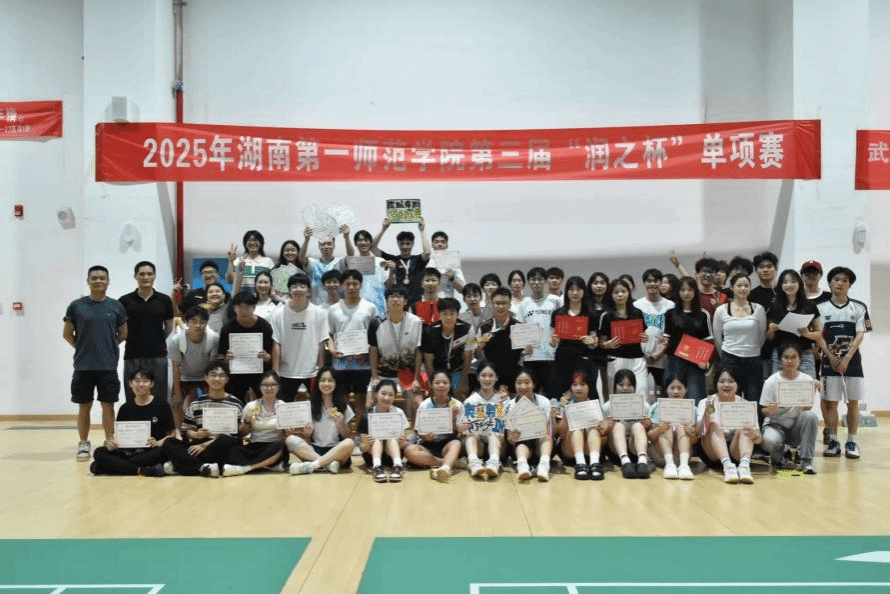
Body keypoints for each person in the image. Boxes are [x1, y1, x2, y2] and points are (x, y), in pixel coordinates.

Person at [63, 265, 128, 461]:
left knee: (108, 405)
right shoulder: (76, 306)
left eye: (102, 278)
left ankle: (109, 441)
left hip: (108, 366)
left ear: (108, 281)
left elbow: (123, 333)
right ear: (88, 281)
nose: (98, 281)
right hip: (83, 367)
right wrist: (83, 347)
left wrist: (107, 346)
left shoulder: (116, 306)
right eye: (94, 278)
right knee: (84, 406)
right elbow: (67, 334)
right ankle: (83, 443)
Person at [818, 266, 871, 459]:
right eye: (836, 279)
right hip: (828, 362)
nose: (840, 283)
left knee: (853, 402)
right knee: (830, 403)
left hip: (853, 362)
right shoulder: (820, 308)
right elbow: (818, 336)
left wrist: (847, 358)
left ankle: (852, 441)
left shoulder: (859, 307)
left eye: (844, 280)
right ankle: (833, 441)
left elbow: (860, 334)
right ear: (829, 283)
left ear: (850, 285)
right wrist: (831, 357)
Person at [162, 362, 245, 477]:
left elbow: (236, 436)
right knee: (169, 442)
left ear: (227, 379)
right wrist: (196, 435)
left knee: (226, 440)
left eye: (221, 376)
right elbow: (186, 430)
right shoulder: (197, 403)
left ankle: (184, 465)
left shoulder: (236, 404)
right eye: (213, 375)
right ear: (206, 378)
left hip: (219, 446)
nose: (217, 379)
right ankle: (203, 467)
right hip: (198, 446)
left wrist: (205, 445)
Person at [90, 368, 176, 476]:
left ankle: (108, 467)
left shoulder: (162, 406)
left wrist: (158, 442)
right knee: (99, 452)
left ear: (152, 384)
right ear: (130, 383)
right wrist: (112, 444)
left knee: (163, 451)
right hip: (128, 452)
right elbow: (117, 435)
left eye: (145, 381)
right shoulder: (125, 408)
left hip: (151, 451)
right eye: (137, 381)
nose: (141, 384)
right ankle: (141, 469)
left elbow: (172, 435)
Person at [695, 367, 763, 484]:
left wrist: (755, 435)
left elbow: (760, 439)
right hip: (712, 453)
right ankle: (728, 467)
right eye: (722, 381)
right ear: (716, 384)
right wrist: (707, 413)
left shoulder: (746, 405)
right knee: (715, 425)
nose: (726, 385)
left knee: (745, 427)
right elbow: (699, 433)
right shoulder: (707, 402)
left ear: (737, 384)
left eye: (731, 381)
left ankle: (744, 467)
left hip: (736, 452)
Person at [327, 269, 378, 424]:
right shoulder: (333, 309)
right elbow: (328, 334)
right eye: (348, 284)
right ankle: (341, 432)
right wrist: (332, 349)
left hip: (363, 363)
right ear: (342, 286)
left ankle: (359, 434)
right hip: (340, 362)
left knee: (360, 402)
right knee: (340, 400)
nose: (351, 287)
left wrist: (367, 349)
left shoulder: (370, 308)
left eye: (355, 284)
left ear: (361, 285)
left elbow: (374, 336)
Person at [759, 343, 819, 474]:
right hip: (776, 426)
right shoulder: (771, 381)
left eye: (793, 357)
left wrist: (812, 392)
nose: (790, 361)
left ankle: (806, 461)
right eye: (786, 357)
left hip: (795, 428)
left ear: (800, 359)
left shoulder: (807, 379)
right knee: (769, 440)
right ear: (780, 360)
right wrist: (770, 410)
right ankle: (779, 456)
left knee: (811, 416)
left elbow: (808, 407)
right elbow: (763, 410)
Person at [120, 261, 174, 403]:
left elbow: (169, 326)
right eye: (142, 274)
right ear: (135, 276)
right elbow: (120, 329)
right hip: (132, 355)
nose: (146, 277)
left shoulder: (164, 300)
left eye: (149, 274)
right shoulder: (124, 301)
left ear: (154, 276)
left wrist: (156, 340)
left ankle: (158, 419)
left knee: (159, 396)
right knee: (133, 396)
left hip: (158, 355)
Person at [270, 272, 330, 401]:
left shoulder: (319, 313)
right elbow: (276, 343)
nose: (298, 289)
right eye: (294, 286)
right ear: (289, 291)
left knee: (316, 406)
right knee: (283, 406)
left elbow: (321, 343)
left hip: (312, 371)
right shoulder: (278, 314)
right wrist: (275, 371)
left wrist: (321, 369)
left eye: (302, 286)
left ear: (308, 291)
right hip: (286, 372)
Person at [286, 367, 356, 475]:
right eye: (323, 380)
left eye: (330, 380)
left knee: (349, 443)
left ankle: (313, 465)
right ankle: (327, 464)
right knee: (290, 440)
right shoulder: (311, 406)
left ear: (336, 383)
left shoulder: (343, 406)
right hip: (315, 450)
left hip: (336, 450)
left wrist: (341, 424)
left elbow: (347, 436)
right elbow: (307, 437)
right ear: (318, 383)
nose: (326, 384)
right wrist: (307, 434)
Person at [219, 370, 289, 476]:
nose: (269, 388)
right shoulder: (252, 406)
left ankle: (246, 468)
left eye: (273, 385)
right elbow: (243, 433)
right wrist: (247, 421)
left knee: (281, 446)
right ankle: (268, 465)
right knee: (233, 449)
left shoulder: (283, 406)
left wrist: (289, 431)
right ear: (260, 387)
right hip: (255, 445)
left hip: (274, 445)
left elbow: (287, 434)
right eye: (265, 385)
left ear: (278, 387)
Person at [368, 286, 424, 419]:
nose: (395, 300)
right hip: (383, 374)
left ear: (405, 301)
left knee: (416, 403)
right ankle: (379, 429)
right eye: (392, 296)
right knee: (369, 403)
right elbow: (373, 350)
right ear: (387, 301)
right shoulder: (376, 322)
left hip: (408, 374)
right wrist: (374, 377)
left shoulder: (416, 322)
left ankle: (411, 429)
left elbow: (419, 351)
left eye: (399, 297)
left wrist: (416, 379)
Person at [712, 273, 767, 403]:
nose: (743, 289)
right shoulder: (721, 310)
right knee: (730, 398)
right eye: (739, 285)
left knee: (753, 398)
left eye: (746, 286)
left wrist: (751, 349)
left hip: (753, 359)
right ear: (732, 287)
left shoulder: (759, 309)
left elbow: (762, 335)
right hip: (729, 358)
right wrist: (727, 353)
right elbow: (717, 338)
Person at [549, 276, 603, 400]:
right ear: (567, 291)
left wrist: (591, 342)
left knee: (584, 394)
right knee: (561, 394)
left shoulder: (590, 314)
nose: (575, 293)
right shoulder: (558, 313)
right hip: (562, 359)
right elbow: (552, 341)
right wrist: (552, 341)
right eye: (571, 289)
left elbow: (594, 343)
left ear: (584, 292)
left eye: (578, 289)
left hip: (582, 360)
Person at [405, 370, 463, 483]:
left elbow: (461, 432)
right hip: (428, 446)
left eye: (445, 383)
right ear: (431, 385)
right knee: (409, 450)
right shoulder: (425, 405)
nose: (441, 385)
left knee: (456, 443)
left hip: (447, 444)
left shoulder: (456, 405)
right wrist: (424, 436)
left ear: (450, 385)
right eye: (437, 383)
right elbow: (417, 431)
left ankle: (445, 468)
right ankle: (447, 463)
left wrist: (455, 419)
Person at [217, 291, 274, 403]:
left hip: (259, 372)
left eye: (247, 307)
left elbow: (271, 354)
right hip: (236, 373)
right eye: (239, 307)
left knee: (263, 402)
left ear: (254, 308)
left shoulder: (264, 326)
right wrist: (227, 359)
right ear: (234, 308)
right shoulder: (228, 328)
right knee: (234, 402)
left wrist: (267, 357)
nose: (243, 311)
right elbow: (221, 355)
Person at [765, 269, 824, 377]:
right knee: (780, 386)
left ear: (799, 283)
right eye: (785, 282)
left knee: (807, 385)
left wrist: (807, 334)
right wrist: (771, 330)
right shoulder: (775, 306)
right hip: (780, 355)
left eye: (793, 281)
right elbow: (769, 338)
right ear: (780, 285)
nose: (789, 285)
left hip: (804, 354)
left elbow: (819, 333)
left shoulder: (810, 305)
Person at [169, 306, 220, 430]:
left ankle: (208, 430)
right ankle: (179, 432)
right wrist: (177, 394)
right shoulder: (177, 340)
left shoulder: (213, 338)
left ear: (206, 323)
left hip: (205, 378)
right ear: (187, 323)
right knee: (176, 404)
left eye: (202, 322)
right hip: (184, 377)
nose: (198, 325)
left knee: (213, 403)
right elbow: (175, 367)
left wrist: (213, 388)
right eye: (194, 321)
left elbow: (213, 366)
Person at [662, 276, 712, 403]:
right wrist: (661, 345)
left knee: (696, 397)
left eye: (689, 290)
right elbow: (666, 340)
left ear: (695, 292)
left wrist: (705, 361)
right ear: (677, 292)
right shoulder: (670, 314)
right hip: (674, 361)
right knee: (673, 397)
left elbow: (707, 342)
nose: (686, 293)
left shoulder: (702, 314)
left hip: (695, 363)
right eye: (682, 290)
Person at [555, 371, 612, 481]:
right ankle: (580, 464)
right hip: (570, 451)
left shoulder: (595, 406)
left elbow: (605, 436)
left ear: (589, 387)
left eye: (582, 384)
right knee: (577, 428)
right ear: (571, 388)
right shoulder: (563, 405)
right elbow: (561, 434)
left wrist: (605, 428)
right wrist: (566, 412)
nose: (578, 388)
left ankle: (594, 464)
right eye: (575, 385)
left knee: (593, 428)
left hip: (591, 450)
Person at [599, 278, 649, 399]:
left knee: (641, 393)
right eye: (616, 292)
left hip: (637, 360)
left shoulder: (637, 313)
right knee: (617, 396)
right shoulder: (607, 316)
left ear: (629, 293)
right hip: (616, 359)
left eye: (623, 291)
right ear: (611, 295)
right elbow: (601, 342)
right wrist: (607, 344)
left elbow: (643, 334)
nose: (620, 295)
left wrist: (644, 337)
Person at [459, 362, 510, 480]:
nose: (487, 379)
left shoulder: (503, 399)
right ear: (478, 377)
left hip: (499, 445)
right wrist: (461, 428)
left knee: (493, 432)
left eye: (491, 375)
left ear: (496, 378)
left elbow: (509, 424)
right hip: (479, 447)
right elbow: (464, 429)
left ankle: (494, 463)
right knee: (472, 434)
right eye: (483, 375)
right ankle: (474, 463)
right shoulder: (470, 401)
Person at [516, 267, 562, 396]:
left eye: (540, 279)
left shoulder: (556, 301)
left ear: (545, 281)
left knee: (553, 396)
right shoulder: (523, 304)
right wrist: (522, 349)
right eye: (533, 279)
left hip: (551, 356)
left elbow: (561, 325)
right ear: (528, 282)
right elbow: (519, 329)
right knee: (529, 396)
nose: (536, 282)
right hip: (531, 358)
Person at [506, 368, 556, 482]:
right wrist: (512, 438)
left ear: (534, 385)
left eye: (527, 382)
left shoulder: (544, 402)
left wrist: (552, 418)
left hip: (541, 445)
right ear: (514, 385)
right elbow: (510, 439)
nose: (523, 386)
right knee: (521, 443)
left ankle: (544, 466)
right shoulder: (509, 406)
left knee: (546, 436)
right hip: (522, 446)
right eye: (519, 383)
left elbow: (552, 431)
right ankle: (522, 466)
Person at [602, 370, 651, 479]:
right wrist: (608, 427)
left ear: (634, 386)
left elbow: (650, 434)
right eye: (621, 384)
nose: (625, 388)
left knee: (637, 425)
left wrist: (647, 426)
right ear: (615, 386)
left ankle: (643, 461)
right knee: (619, 426)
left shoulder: (644, 406)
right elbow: (602, 434)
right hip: (615, 451)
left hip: (635, 450)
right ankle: (625, 462)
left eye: (629, 385)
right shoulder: (607, 407)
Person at [421, 297, 474, 398]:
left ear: (458, 314)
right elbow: (428, 361)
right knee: (437, 394)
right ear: (439, 315)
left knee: (460, 393)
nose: (448, 317)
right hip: (437, 371)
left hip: (457, 370)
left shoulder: (468, 329)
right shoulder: (429, 331)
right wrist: (432, 382)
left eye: (452, 314)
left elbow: (468, 357)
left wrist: (464, 381)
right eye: (445, 314)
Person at [358, 379, 409, 483]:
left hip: (392, 456)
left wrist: (402, 442)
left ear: (394, 397)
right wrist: (367, 443)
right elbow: (362, 447)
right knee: (377, 438)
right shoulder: (368, 415)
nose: (386, 398)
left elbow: (404, 444)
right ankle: (377, 467)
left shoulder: (398, 413)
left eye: (391, 395)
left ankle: (398, 466)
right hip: (372, 456)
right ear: (376, 394)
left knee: (392, 438)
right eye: (383, 393)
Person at [371, 218, 431, 306]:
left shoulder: (417, 260)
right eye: (402, 244)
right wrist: (383, 229)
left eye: (408, 244)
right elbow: (372, 247)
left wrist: (422, 231)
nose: (405, 246)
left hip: (417, 301)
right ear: (398, 244)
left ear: (413, 244)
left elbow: (427, 252)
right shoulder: (392, 259)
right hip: (398, 301)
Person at [646, 376, 697, 480]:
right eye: (672, 388)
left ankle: (684, 466)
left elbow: (695, 441)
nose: (676, 391)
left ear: (686, 390)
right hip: (660, 455)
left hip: (682, 456)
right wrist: (659, 429)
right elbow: (649, 437)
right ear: (666, 389)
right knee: (666, 424)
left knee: (681, 425)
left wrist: (691, 432)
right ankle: (669, 465)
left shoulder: (692, 408)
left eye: (680, 388)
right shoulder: (657, 406)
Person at [475, 287, 524, 391]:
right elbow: (477, 356)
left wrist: (528, 351)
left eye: (504, 303)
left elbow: (524, 355)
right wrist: (479, 347)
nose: (500, 306)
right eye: (497, 303)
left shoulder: (518, 326)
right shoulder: (484, 327)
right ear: (492, 304)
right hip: (491, 377)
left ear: (509, 305)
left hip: (514, 375)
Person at [634, 268, 674, 388]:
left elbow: (672, 334)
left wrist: (658, 353)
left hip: (662, 358)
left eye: (655, 281)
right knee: (640, 389)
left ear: (660, 283)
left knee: (664, 391)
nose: (652, 284)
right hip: (641, 358)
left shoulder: (670, 306)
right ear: (644, 283)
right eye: (649, 281)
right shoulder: (636, 305)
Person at [299, 224, 355, 304]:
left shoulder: (340, 262)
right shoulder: (313, 263)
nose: (326, 246)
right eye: (323, 244)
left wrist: (346, 237)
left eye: (329, 244)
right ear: (319, 246)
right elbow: (301, 258)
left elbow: (351, 256)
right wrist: (306, 240)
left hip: (337, 306)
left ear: (334, 246)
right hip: (317, 306)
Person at [351, 228, 395, 315]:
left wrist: (392, 271)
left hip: (378, 309)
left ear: (371, 243)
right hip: (358, 310)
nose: (363, 243)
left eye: (366, 240)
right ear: (355, 243)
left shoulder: (380, 262)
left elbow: (389, 287)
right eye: (360, 240)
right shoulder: (353, 263)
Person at [227, 230, 275, 295]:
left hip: (261, 299)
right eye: (250, 240)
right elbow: (230, 279)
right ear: (245, 244)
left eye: (255, 240)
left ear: (261, 243)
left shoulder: (268, 261)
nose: (253, 243)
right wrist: (231, 261)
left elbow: (273, 283)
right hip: (243, 299)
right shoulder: (239, 261)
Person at [430, 230, 465, 300]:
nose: (440, 244)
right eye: (436, 242)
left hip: (448, 301)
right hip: (431, 301)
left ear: (447, 245)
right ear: (432, 245)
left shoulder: (453, 263)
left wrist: (452, 278)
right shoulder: (427, 262)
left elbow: (462, 289)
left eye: (443, 242)